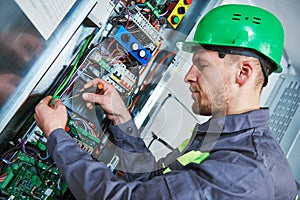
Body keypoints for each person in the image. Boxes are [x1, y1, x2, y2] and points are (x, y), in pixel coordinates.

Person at [34, 4, 298, 200]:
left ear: (244, 73)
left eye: (202, 66)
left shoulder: (244, 173)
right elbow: (157, 185)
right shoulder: (229, 139)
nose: (188, 77)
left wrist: (57, 135)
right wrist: (123, 120)